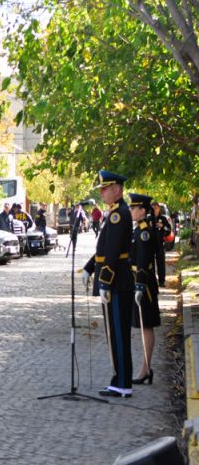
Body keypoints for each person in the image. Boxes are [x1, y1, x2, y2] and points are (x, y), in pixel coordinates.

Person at [83, 170, 134, 398]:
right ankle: (118, 378)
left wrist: (104, 281)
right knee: (113, 332)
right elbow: (103, 249)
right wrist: (89, 266)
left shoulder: (119, 214)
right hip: (114, 281)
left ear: (117, 189)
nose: (102, 193)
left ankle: (123, 382)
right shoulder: (116, 212)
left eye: (105, 188)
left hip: (116, 282)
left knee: (118, 333)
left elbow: (113, 253)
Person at [128, 193, 160, 385]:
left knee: (146, 325)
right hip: (137, 282)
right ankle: (144, 368)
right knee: (141, 325)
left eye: (134, 208)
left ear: (142, 211)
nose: (131, 211)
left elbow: (144, 262)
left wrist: (139, 286)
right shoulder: (138, 230)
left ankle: (146, 369)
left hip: (144, 285)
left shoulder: (145, 232)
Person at [152, 202, 171, 287]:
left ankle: (161, 281)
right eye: (153, 208)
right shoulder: (148, 219)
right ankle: (151, 281)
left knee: (161, 263)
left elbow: (168, 230)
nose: (155, 210)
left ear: (159, 208)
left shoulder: (163, 218)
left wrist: (162, 226)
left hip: (160, 244)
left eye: (156, 208)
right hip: (150, 245)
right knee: (150, 264)